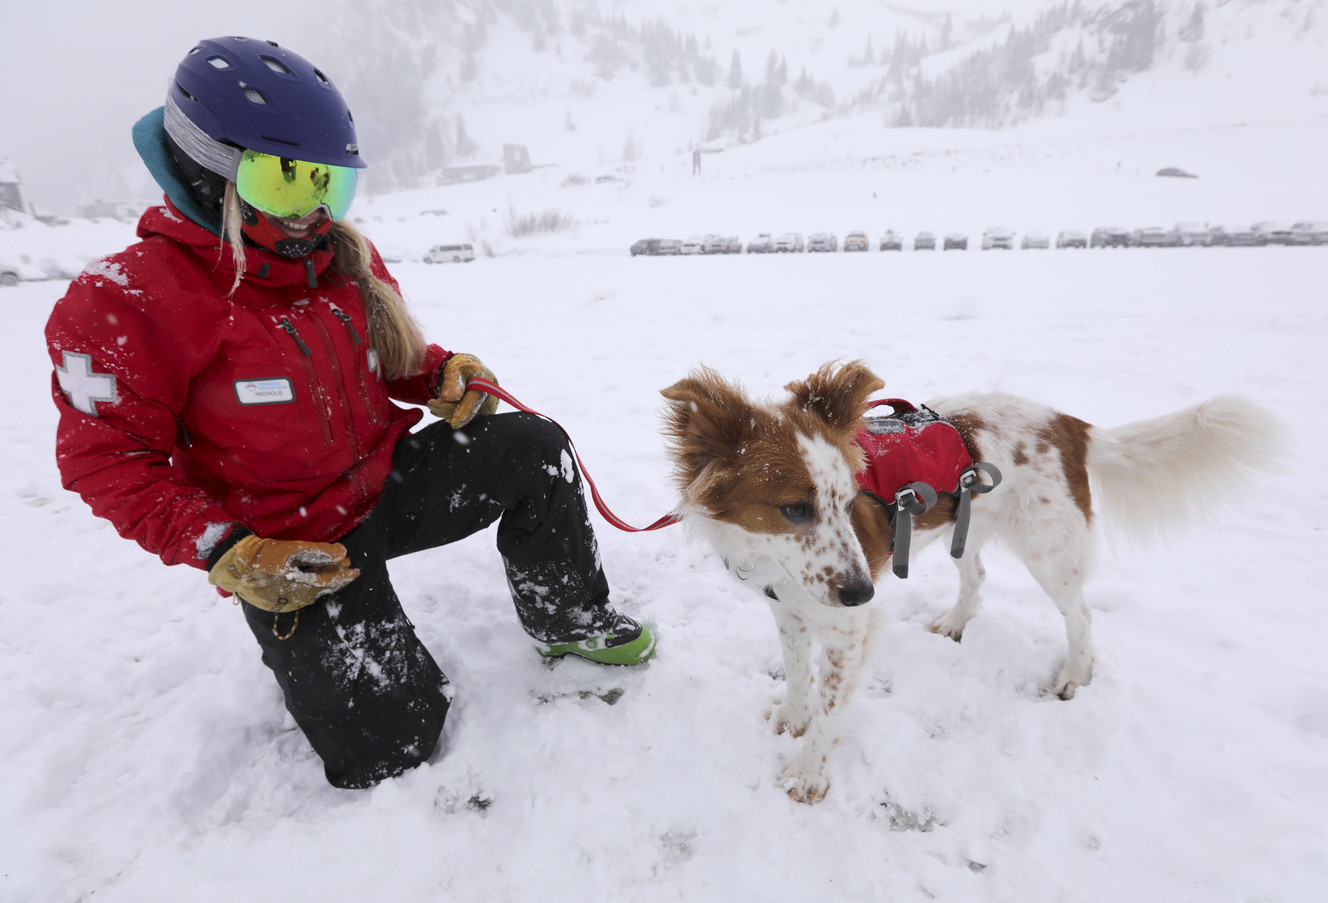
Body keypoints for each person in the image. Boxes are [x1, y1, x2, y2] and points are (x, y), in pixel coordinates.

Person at [45, 36, 655, 790]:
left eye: (331, 185)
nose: (313, 212)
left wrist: (441, 375)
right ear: (211, 173)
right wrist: (226, 549)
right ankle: (323, 661)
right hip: (293, 548)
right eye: (288, 182)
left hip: (386, 482)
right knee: (394, 748)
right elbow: (107, 459)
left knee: (534, 446)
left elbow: (393, 358)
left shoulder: (339, 258)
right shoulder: (127, 300)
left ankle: (569, 617)